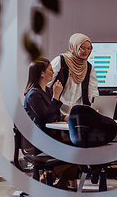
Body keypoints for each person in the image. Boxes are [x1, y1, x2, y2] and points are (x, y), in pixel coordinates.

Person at [23, 58, 78, 190]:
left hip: (49, 136)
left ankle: (61, 182)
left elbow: (54, 114)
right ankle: (50, 175)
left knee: (78, 145)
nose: (53, 72)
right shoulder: (33, 94)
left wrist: (65, 117)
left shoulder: (46, 91)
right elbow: (46, 117)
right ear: (42, 73)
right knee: (76, 149)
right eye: (50, 70)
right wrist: (56, 96)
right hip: (38, 141)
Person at [48, 33, 99, 118]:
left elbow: (92, 93)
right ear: (74, 47)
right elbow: (46, 84)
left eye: (89, 48)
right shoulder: (60, 61)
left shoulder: (89, 68)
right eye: (83, 48)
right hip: (57, 113)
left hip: (77, 115)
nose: (86, 51)